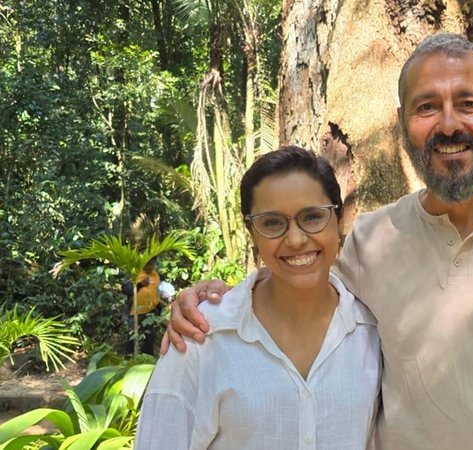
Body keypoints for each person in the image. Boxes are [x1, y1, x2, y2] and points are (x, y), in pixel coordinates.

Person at [167, 34, 473, 449]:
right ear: (402, 122)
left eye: (468, 103)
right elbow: (299, 279)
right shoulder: (373, 239)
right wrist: (212, 301)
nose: (449, 124)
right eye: (427, 106)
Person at [136, 147, 382, 449]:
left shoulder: (372, 330)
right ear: (252, 231)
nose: (295, 239)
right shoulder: (201, 335)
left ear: (338, 218)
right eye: (272, 223)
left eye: (313, 217)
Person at [122, 258, 174, 355]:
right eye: (147, 264)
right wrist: (140, 284)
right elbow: (125, 290)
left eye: (151, 264)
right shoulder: (136, 274)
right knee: (132, 338)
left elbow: (165, 289)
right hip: (135, 314)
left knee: (149, 338)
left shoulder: (158, 276)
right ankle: (128, 358)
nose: (149, 267)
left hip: (151, 313)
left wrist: (167, 295)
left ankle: (147, 359)